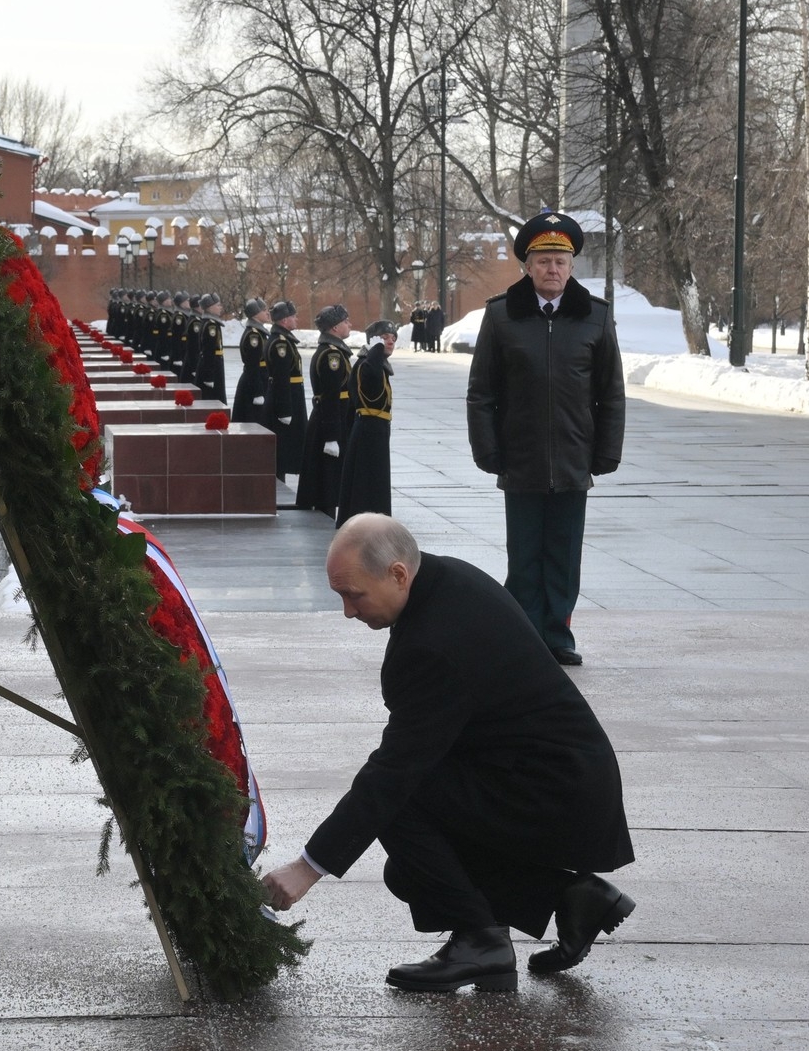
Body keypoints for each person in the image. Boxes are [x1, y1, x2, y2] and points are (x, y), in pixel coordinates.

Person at [263, 514, 635, 993]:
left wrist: (307, 867)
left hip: (554, 790)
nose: (348, 612)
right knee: (413, 872)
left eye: (353, 594)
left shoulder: (433, 642)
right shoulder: (446, 578)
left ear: (398, 574)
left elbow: (395, 773)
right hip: (553, 773)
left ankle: (482, 944)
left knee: (401, 799)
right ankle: (568, 898)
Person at [465, 210, 624, 667]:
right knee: (525, 555)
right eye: (543, 261)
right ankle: (525, 635)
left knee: (564, 555)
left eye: (560, 260)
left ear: (571, 266)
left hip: (574, 459)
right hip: (522, 459)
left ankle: (558, 635)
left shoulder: (595, 317)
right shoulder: (501, 316)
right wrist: (489, 450)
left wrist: (607, 451)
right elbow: (482, 392)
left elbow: (610, 392)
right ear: (528, 267)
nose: (552, 269)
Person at [296, 303, 355, 517]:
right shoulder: (333, 356)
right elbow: (331, 397)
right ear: (334, 328)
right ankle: (325, 518)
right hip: (330, 421)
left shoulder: (335, 352)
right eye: (346, 322)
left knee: (327, 476)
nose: (350, 325)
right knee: (328, 478)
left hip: (330, 419)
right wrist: (332, 436)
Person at [337, 320, 395, 523]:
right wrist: (376, 350)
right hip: (369, 432)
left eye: (393, 338)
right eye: (385, 338)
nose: (390, 342)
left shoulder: (375, 364)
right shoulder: (367, 365)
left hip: (374, 431)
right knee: (367, 484)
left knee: (375, 484)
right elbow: (371, 379)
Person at [262, 299, 307, 481]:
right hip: (285, 401)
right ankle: (278, 485)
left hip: (290, 397)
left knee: (285, 447)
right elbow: (281, 378)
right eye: (293, 316)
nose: (296, 319)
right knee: (282, 448)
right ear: (284, 321)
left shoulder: (284, 340)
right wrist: (285, 410)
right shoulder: (281, 343)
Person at [231, 298, 270, 422]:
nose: (268, 313)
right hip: (253, 383)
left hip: (258, 379)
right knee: (252, 419)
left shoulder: (258, 333)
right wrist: (257, 392)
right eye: (264, 310)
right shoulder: (254, 335)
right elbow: (252, 365)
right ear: (256, 314)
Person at [193, 293, 227, 403]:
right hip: (212, 367)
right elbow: (208, 351)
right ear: (210, 307)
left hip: (214, 365)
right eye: (218, 305)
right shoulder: (210, 325)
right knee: (211, 398)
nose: (220, 307)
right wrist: (209, 376)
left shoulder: (211, 323)